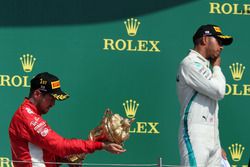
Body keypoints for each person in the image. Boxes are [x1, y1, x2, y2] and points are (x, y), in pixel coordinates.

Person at [9, 72, 125, 167]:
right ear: (37, 94)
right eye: (51, 98)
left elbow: (46, 156)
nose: (53, 104)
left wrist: (67, 158)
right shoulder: (27, 117)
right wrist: (100, 145)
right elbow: (60, 146)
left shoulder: (30, 115)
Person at [176, 24, 233, 167]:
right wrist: (217, 67)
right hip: (195, 135)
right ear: (205, 39)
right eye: (218, 41)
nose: (221, 47)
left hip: (212, 138)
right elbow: (219, 91)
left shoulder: (203, 66)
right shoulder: (190, 63)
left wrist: (217, 144)